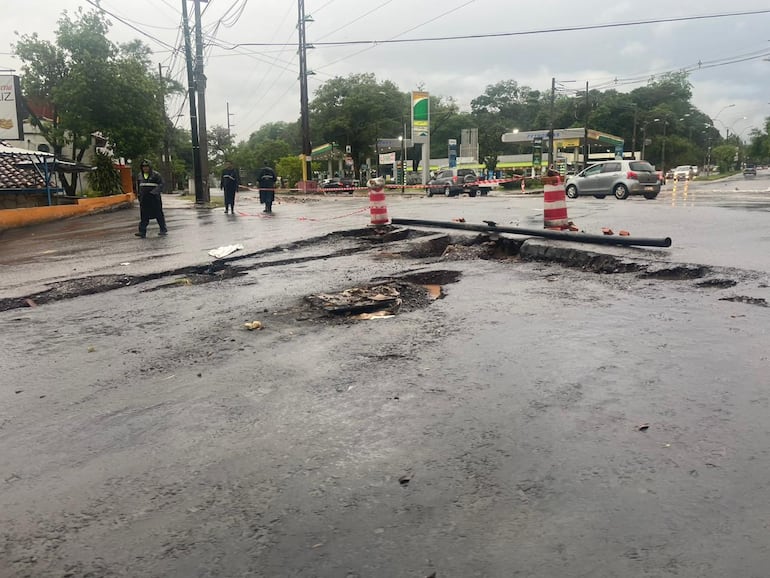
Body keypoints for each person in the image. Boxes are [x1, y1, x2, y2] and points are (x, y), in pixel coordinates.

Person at [135, 159, 167, 237]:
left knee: (158, 214)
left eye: (146, 166)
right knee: (144, 215)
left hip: (154, 198)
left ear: (150, 167)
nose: (145, 168)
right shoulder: (140, 176)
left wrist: (154, 192)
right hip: (144, 199)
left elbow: (161, 184)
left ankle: (163, 229)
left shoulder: (156, 175)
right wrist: (139, 195)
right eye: (143, 167)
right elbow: (138, 186)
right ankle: (142, 231)